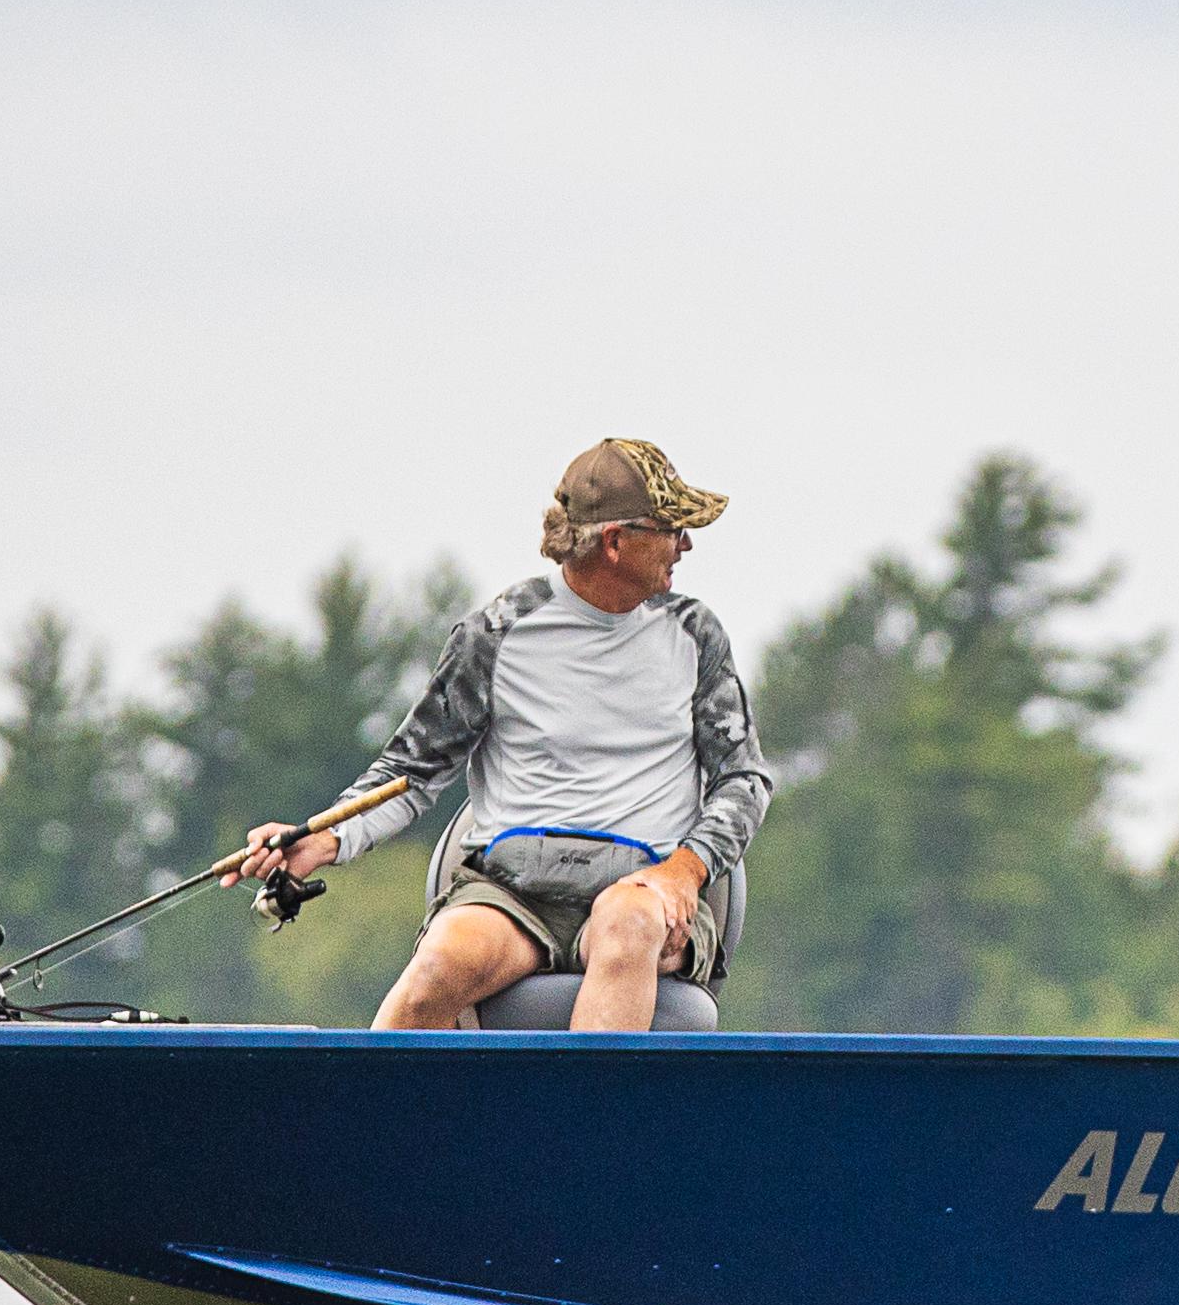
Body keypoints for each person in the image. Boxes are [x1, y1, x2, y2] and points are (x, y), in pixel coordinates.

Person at [232, 437, 774, 1032]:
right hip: (512, 897)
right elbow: (408, 777)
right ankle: (373, 1120)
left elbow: (743, 781)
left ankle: (580, 1126)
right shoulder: (494, 633)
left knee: (626, 924)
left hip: (643, 891)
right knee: (438, 964)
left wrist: (683, 872)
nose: (685, 544)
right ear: (616, 542)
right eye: (670, 528)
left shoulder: (695, 635)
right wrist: (325, 839)